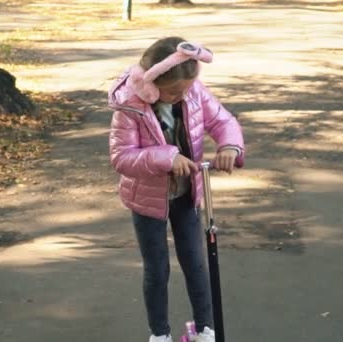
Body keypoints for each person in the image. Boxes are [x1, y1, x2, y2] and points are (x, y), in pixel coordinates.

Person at [108, 36, 245, 342]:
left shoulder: (192, 92)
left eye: (185, 90)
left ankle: (205, 328)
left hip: (185, 194)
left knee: (196, 262)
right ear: (151, 83)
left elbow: (222, 120)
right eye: (173, 92)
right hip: (148, 200)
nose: (181, 96)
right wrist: (167, 157)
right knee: (157, 270)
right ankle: (160, 334)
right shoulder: (130, 107)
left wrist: (230, 146)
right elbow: (121, 158)